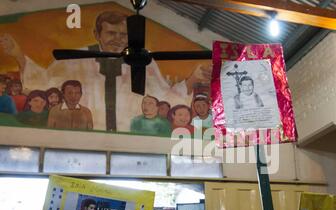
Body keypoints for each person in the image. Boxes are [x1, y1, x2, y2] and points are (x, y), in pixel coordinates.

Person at [0, 11, 211, 132]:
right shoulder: (76, 59)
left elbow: (164, 97)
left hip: (129, 141)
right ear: (97, 34)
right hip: (81, 140)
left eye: (123, 34)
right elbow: (44, 84)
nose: (118, 38)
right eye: (111, 33)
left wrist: (192, 80)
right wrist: (19, 55)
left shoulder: (143, 63)